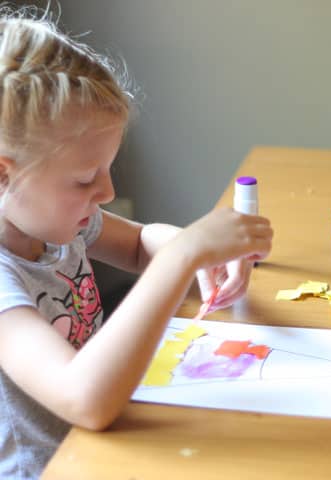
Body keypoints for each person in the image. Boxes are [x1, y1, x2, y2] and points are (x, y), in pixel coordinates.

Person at [0, 7, 273, 478]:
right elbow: (83, 399)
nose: (105, 193)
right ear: (4, 175)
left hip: (105, 448)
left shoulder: (53, 224)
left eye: (109, 169)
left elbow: (141, 243)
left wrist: (195, 255)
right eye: (86, 178)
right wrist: (186, 256)